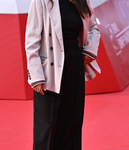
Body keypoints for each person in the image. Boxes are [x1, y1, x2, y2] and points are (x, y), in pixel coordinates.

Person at [25, 0, 101, 149]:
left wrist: (90, 50)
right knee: (47, 127)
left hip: (74, 66)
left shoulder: (82, 1)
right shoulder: (42, 1)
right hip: (49, 72)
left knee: (72, 122)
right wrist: (36, 75)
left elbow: (93, 28)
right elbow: (32, 40)